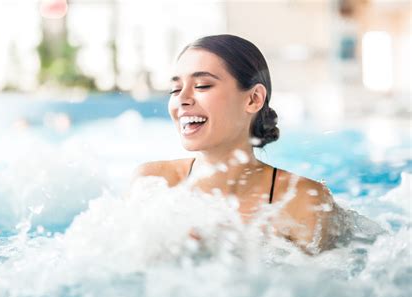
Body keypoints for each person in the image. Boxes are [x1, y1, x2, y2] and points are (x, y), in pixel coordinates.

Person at [129, 34, 337, 254]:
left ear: (253, 99)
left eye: (202, 85)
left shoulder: (302, 200)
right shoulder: (154, 183)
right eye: (175, 89)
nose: (182, 98)